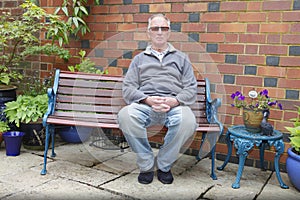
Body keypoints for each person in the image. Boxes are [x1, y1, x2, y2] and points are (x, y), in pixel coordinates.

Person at [118, 14, 197, 185]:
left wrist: (175, 101)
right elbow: (128, 88)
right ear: (149, 33)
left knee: (188, 120)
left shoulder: (182, 58)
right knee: (125, 115)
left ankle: (164, 165)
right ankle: (146, 165)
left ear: (169, 32)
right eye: (155, 28)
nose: (160, 32)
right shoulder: (139, 59)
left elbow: (191, 88)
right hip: (146, 106)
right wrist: (147, 99)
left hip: (174, 106)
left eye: (164, 28)